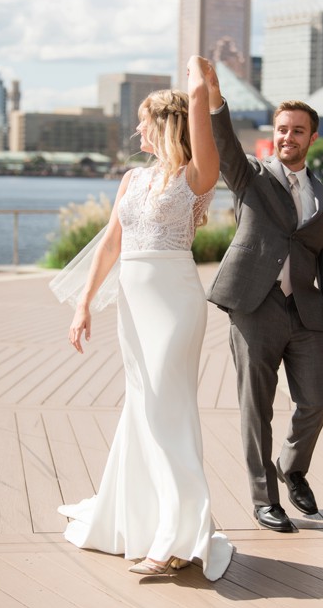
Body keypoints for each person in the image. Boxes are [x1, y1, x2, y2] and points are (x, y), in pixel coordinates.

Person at [52, 57, 233, 580]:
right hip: (131, 308)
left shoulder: (198, 174)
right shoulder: (132, 179)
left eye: (142, 120)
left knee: (165, 412)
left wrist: (202, 84)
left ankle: (179, 537)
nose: (136, 129)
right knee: (143, 406)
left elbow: (199, 108)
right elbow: (112, 241)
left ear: (165, 123)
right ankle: (142, 520)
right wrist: (84, 302)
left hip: (175, 304)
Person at [203, 70, 323, 534]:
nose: (287, 136)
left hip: (306, 313)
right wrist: (215, 100)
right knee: (256, 407)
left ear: (312, 138)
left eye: (297, 130)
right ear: (274, 134)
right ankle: (265, 499)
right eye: (281, 129)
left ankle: (292, 466)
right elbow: (223, 146)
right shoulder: (251, 176)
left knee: (319, 397)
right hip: (254, 305)